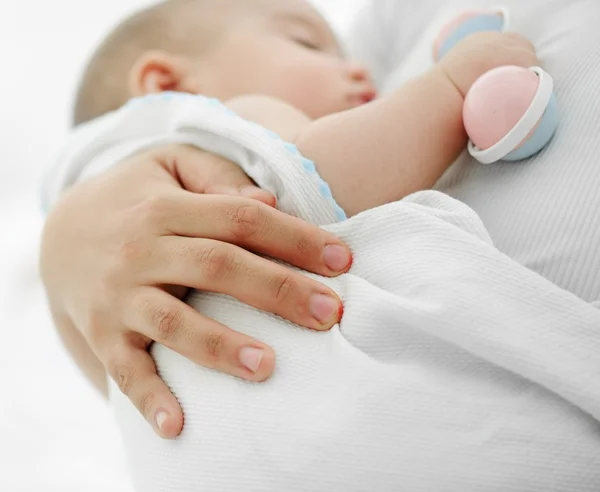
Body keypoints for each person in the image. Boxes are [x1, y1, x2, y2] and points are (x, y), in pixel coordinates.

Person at [39, 0, 600, 490]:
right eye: (309, 43)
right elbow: (326, 177)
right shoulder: (189, 127)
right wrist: (450, 88)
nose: (356, 68)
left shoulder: (103, 209)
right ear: (167, 84)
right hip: (355, 432)